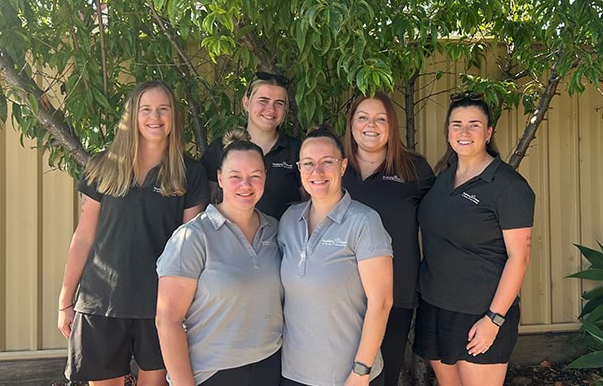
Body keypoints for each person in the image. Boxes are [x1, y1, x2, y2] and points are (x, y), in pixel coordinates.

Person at [57, 80, 209, 386]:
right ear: (132, 116)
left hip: (160, 305)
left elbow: (192, 248)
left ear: (174, 116)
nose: (155, 116)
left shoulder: (189, 173)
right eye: (146, 109)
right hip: (102, 300)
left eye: (163, 109)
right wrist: (65, 299)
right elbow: (84, 235)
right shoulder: (103, 166)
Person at [413, 91, 535, 386]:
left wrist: (494, 320)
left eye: (474, 125)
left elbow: (520, 257)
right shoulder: (443, 176)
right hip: (435, 306)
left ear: (489, 132)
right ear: (448, 131)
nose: (464, 132)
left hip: (480, 312)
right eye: (456, 124)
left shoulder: (507, 186)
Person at [156, 129, 283, 386]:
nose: (245, 185)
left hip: (271, 365)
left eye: (254, 176)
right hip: (214, 373)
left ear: (265, 178)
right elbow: (167, 319)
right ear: (220, 178)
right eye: (235, 176)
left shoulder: (276, 230)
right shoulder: (193, 237)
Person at [278, 127, 393, 386]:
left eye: (326, 162)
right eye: (308, 163)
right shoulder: (288, 221)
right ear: (299, 169)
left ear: (342, 166)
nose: (316, 172)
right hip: (294, 372)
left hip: (349, 375)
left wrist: (361, 370)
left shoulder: (364, 222)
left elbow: (382, 301)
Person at [341, 92, 435, 386]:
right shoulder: (334, 168)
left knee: (383, 375)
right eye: (363, 117)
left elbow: (441, 223)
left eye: (381, 118)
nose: (372, 125)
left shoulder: (413, 169)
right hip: (340, 293)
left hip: (395, 292)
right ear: (351, 124)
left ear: (391, 126)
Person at [200, 71, 301, 220]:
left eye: (279, 103)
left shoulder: (297, 151)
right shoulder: (220, 149)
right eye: (263, 100)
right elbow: (206, 205)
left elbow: (308, 204)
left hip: (282, 240)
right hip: (228, 239)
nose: (271, 109)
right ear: (246, 103)